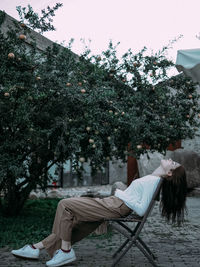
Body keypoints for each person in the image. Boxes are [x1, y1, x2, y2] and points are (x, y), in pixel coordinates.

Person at [11, 158, 187, 267]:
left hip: (116, 206)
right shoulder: (152, 178)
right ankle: (36, 248)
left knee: (65, 204)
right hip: (114, 205)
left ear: (170, 173)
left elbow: (140, 208)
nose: (170, 159)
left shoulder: (153, 181)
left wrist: (119, 193)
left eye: (173, 163)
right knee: (74, 224)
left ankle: (65, 252)